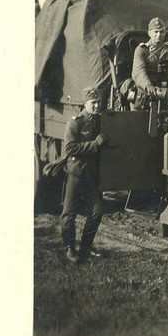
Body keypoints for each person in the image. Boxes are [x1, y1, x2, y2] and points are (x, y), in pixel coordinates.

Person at [61, 86, 107, 264]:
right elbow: (70, 148)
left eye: (99, 102)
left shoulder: (100, 121)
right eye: (93, 103)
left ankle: (86, 247)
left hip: (92, 174)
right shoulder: (76, 122)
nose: (96, 106)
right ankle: (69, 248)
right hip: (76, 172)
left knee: (97, 212)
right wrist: (95, 145)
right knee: (69, 213)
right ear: (85, 104)